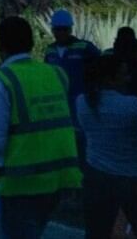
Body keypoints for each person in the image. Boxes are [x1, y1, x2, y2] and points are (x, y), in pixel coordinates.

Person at [0, 16, 81, 239]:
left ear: (0, 46)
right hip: (57, 181)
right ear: (32, 43)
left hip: (19, 185)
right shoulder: (57, 74)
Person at [77, 55, 137, 239]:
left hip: (97, 177)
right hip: (135, 179)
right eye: (123, 74)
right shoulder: (132, 105)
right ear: (111, 78)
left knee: (97, 231)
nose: (128, 78)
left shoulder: (82, 102)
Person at [43, 9, 100, 162]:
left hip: (81, 101)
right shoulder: (50, 50)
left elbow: (101, 68)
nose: (60, 33)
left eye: (64, 29)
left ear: (70, 29)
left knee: (82, 141)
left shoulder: (84, 47)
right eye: (57, 30)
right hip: (59, 104)